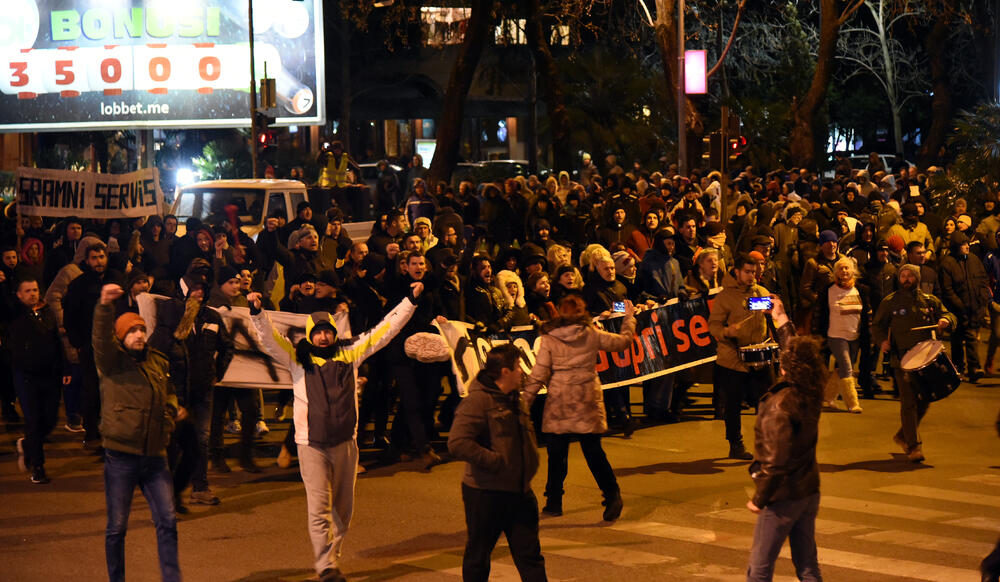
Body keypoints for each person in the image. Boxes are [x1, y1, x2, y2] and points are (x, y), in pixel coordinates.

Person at [248, 281, 422, 582]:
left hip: (345, 444)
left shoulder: (351, 352)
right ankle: (326, 566)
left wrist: (410, 300)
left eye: (327, 331)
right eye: (317, 332)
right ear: (310, 335)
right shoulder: (296, 358)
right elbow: (269, 339)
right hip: (311, 445)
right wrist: (257, 313)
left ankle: (332, 555)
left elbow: (385, 330)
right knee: (319, 509)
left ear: (334, 332)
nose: (323, 336)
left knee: (343, 510)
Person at [94, 284, 180, 582]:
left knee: (167, 521)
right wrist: (105, 306)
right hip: (121, 457)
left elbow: (169, 392)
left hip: (155, 455)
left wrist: (169, 414)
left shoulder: (157, 361)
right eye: (132, 331)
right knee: (117, 527)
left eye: (141, 329)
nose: (139, 335)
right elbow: (100, 339)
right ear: (121, 337)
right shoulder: (112, 362)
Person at [524, 294, 635, 521]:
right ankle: (612, 495)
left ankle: (554, 502)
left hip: (560, 401)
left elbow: (539, 373)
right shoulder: (591, 334)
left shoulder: (549, 338)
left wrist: (525, 401)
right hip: (586, 398)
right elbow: (622, 342)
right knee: (594, 452)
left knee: (557, 455)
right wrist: (629, 319)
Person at [447, 344, 547, 582]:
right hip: (486, 494)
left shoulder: (515, 398)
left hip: (520, 491)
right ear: (505, 371)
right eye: (517, 366)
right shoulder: (478, 401)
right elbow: (458, 442)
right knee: (479, 557)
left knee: (530, 556)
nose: (521, 371)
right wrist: (495, 462)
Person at [745, 336, 829, 582]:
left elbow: (776, 461)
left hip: (784, 495)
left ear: (783, 368)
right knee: (807, 565)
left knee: (759, 568)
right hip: (808, 489)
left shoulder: (779, 405)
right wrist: (782, 322)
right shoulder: (812, 392)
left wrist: (759, 499)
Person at [872, 265, 956, 463]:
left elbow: (950, 315)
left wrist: (946, 320)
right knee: (908, 403)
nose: (906, 279)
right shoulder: (890, 302)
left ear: (917, 278)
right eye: (903, 275)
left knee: (925, 400)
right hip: (901, 359)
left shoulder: (929, 300)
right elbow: (877, 325)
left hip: (925, 359)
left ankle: (903, 435)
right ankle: (913, 446)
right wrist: (882, 341)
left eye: (910, 275)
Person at [6, 277, 69, 484]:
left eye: (34, 289)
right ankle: (38, 466)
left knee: (50, 419)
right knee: (33, 420)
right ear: (19, 294)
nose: (33, 294)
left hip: (49, 375)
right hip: (26, 376)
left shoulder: (47, 312)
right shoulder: (15, 314)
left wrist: (64, 367)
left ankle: (28, 445)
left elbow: (56, 341)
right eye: (27, 291)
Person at [812, 257, 869, 413]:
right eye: (841, 268)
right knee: (846, 367)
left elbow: (865, 315)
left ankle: (828, 396)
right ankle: (852, 403)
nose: (844, 271)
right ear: (836, 272)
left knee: (842, 369)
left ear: (853, 271)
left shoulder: (861, 290)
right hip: (835, 335)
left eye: (847, 268)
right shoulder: (828, 290)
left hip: (855, 336)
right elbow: (820, 313)